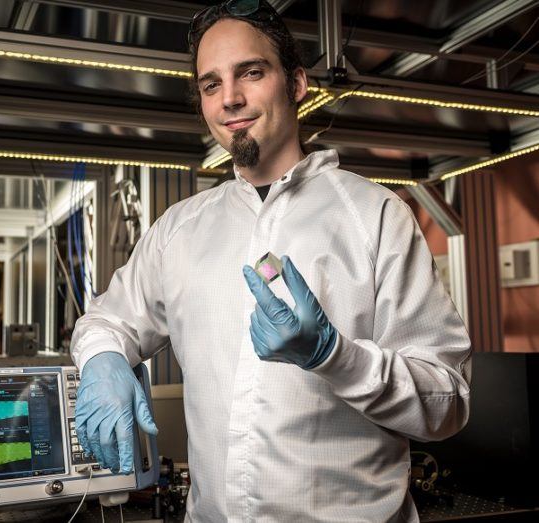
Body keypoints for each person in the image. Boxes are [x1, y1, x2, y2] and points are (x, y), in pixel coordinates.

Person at [70, 0, 471, 521]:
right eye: (211, 84)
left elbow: (449, 403)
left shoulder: (375, 216)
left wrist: (334, 356)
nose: (230, 98)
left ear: (297, 83)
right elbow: (107, 319)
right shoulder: (179, 229)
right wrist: (102, 359)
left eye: (251, 73)